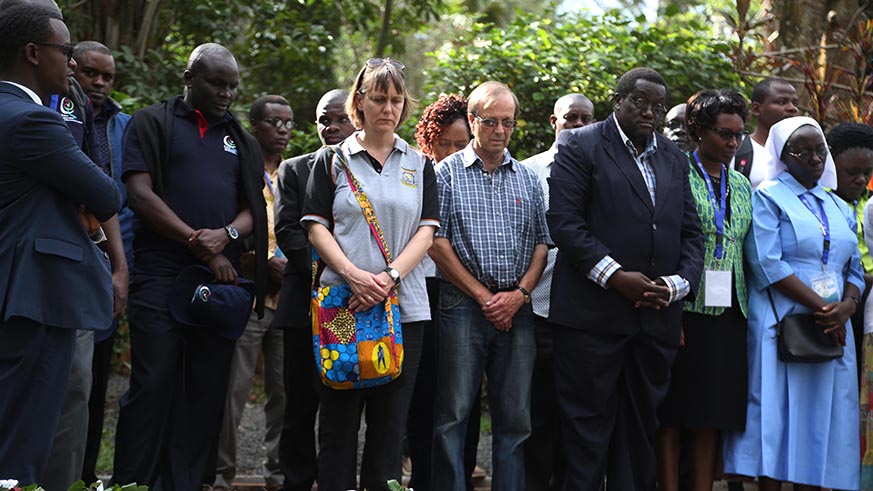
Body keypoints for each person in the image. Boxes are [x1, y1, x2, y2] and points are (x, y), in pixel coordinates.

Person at [111, 43, 268, 490]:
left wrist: (227, 238)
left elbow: (253, 208)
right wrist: (198, 242)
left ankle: (186, 483)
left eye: (233, 86)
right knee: (153, 382)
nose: (226, 94)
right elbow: (140, 195)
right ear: (189, 77)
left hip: (219, 282)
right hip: (161, 274)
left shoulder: (241, 139)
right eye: (217, 83)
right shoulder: (151, 122)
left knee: (204, 390)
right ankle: (131, 482)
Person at [546, 67, 704, 491]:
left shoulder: (674, 157)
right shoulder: (581, 145)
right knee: (585, 435)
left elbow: (691, 233)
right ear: (618, 101)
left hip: (655, 321)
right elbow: (565, 224)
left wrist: (676, 286)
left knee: (639, 436)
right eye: (640, 102)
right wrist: (615, 277)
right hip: (591, 320)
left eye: (657, 105)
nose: (650, 112)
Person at [300, 58, 438, 491]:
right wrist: (353, 275)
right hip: (342, 304)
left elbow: (427, 232)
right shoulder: (334, 159)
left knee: (389, 427)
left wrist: (389, 277)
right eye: (379, 98)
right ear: (359, 101)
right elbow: (315, 225)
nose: (388, 108)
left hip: (405, 310)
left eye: (397, 99)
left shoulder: (420, 164)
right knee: (339, 422)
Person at [0, 4, 121, 483]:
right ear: (33, 53)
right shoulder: (33, 121)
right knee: (20, 441)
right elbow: (107, 194)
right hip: (35, 298)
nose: (71, 64)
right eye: (66, 52)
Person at [723, 116, 862, 491]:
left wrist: (847, 306)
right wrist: (823, 308)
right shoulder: (767, 196)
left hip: (834, 323)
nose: (815, 158)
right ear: (784, 155)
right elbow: (766, 262)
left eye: (820, 150)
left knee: (824, 413)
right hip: (784, 318)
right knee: (780, 411)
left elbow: (855, 266)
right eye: (804, 151)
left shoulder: (837, 204)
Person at [430, 81, 550, 491]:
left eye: (508, 123)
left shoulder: (529, 178)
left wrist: (518, 296)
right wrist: (484, 297)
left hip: (518, 309)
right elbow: (436, 242)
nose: (500, 131)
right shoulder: (444, 174)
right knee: (453, 414)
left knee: (515, 418)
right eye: (491, 121)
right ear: (472, 120)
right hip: (462, 304)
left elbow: (541, 244)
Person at [654, 89, 752, 491]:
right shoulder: (674, 174)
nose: (732, 143)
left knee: (712, 414)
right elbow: (663, 243)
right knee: (673, 412)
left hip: (728, 313)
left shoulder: (743, 185)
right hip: (683, 308)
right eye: (723, 133)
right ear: (697, 130)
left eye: (738, 135)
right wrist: (668, 313)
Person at [273, 88, 355, 491]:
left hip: (354, 310)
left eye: (340, 118)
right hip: (304, 308)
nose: (332, 127)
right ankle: (296, 482)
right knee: (300, 407)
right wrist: (336, 273)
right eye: (325, 119)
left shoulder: (372, 170)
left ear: (356, 118)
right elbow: (289, 231)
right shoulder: (294, 169)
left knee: (341, 404)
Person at [212, 95, 293, 491]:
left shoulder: (295, 173)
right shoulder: (239, 169)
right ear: (254, 126)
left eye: (288, 123)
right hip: (248, 296)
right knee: (234, 390)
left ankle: (277, 474)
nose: (282, 131)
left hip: (287, 298)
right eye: (273, 123)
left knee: (284, 393)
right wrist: (254, 262)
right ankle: (222, 475)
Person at [521, 92, 595, 491]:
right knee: (538, 413)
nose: (578, 125)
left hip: (587, 315)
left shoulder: (602, 171)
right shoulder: (529, 171)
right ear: (554, 122)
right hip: (539, 308)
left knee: (578, 417)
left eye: (586, 119)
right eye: (571, 118)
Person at [71, 40, 134, 486]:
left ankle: (88, 472)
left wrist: (122, 266)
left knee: (93, 382)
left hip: (112, 265)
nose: (98, 83)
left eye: (107, 76)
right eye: (91, 73)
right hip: (64, 259)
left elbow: (126, 201)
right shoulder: (55, 115)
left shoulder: (126, 126)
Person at [408, 93, 479, 491]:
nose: (452, 151)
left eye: (460, 144)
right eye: (444, 143)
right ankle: (421, 478)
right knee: (423, 397)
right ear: (428, 140)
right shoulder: (414, 173)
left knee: (460, 398)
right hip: (420, 293)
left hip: (461, 296)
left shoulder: (475, 177)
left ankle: (460, 478)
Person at [732, 78, 799, 188]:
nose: (792, 108)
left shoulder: (803, 155)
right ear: (756, 109)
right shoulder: (737, 151)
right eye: (782, 102)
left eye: (795, 103)